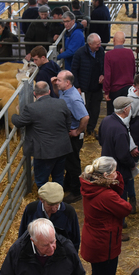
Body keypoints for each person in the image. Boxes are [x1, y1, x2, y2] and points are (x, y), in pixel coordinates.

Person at [80, 156, 132, 275]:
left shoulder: (91, 187)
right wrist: (117, 182)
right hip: (105, 244)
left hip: (93, 240)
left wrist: (115, 181)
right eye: (114, 172)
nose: (117, 174)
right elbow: (126, 208)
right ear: (105, 176)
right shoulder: (106, 195)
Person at [11, 81, 73, 188]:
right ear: (49, 91)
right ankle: (57, 201)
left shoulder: (31, 108)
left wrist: (13, 115)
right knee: (58, 177)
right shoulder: (61, 103)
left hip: (44, 151)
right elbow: (68, 121)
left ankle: (45, 203)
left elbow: (19, 122)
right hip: (62, 147)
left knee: (41, 180)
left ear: (34, 93)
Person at [51, 71, 89, 204]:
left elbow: (85, 117)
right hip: (67, 134)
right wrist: (55, 85)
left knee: (73, 163)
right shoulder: (64, 91)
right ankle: (68, 185)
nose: (57, 82)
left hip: (73, 136)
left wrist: (77, 131)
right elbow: (58, 94)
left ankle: (76, 191)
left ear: (67, 83)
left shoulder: (73, 98)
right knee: (68, 161)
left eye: (59, 80)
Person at [99, 97, 138, 208]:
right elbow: (123, 155)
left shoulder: (106, 120)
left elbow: (101, 140)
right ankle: (121, 220)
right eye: (130, 107)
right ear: (125, 110)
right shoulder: (120, 130)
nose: (130, 109)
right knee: (120, 195)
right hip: (118, 170)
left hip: (106, 165)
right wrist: (132, 164)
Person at [18, 182, 80, 251]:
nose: (53, 208)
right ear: (41, 199)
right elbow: (22, 236)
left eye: (57, 204)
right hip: (36, 255)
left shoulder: (69, 212)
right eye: (50, 204)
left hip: (60, 257)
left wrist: (71, 258)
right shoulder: (31, 210)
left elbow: (75, 240)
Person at [71, 33, 105, 135]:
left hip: (97, 87)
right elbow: (74, 71)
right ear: (90, 44)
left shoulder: (101, 51)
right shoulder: (79, 53)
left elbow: (105, 65)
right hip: (84, 88)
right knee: (84, 110)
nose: (99, 45)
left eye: (99, 43)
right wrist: (77, 86)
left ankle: (90, 130)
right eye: (97, 44)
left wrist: (103, 74)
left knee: (95, 110)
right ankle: (82, 129)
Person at [103, 31, 135, 115]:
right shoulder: (130, 53)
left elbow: (108, 75)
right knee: (127, 112)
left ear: (113, 40)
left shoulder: (109, 55)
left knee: (113, 113)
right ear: (124, 41)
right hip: (128, 88)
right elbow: (133, 71)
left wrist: (106, 91)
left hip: (115, 90)